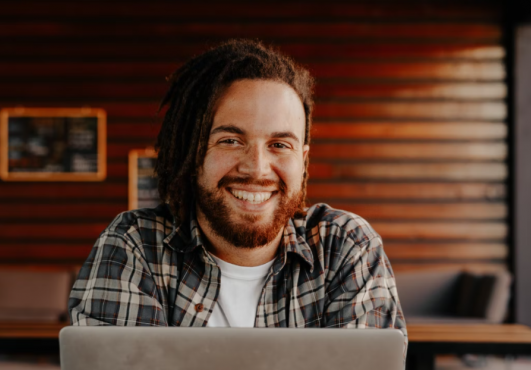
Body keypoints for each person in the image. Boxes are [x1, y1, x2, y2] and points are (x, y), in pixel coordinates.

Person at [68, 39, 404, 333]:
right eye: (230, 140)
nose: (256, 168)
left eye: (279, 144)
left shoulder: (345, 248)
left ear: (303, 159)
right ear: (191, 150)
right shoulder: (135, 247)